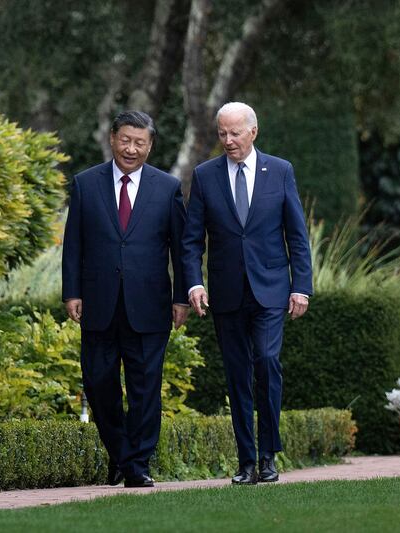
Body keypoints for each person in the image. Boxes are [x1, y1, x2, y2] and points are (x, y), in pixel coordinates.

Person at [182, 102, 312, 485]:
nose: (228, 140)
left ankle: (269, 455)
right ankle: (246, 461)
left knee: (268, 363)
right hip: (226, 294)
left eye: (235, 133)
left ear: (253, 132)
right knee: (237, 375)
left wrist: (301, 286)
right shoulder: (205, 176)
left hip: (271, 290)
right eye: (222, 133)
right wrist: (194, 282)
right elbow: (192, 240)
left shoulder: (281, 171)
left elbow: (297, 236)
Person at [62, 110, 189, 488]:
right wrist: (72, 291)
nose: (131, 148)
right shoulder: (85, 184)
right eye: (125, 140)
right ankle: (121, 453)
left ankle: (137, 465)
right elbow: (74, 244)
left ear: (150, 146)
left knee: (145, 387)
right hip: (99, 304)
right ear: (112, 138)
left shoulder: (167, 187)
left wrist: (181, 296)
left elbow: (181, 249)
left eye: (140, 142)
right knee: (99, 383)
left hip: (149, 305)